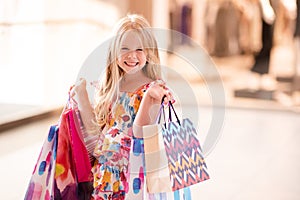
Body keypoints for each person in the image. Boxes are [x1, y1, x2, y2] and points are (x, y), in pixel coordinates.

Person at [71, 14, 174, 200]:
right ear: (114, 52)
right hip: (106, 173)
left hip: (135, 176)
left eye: (139, 49)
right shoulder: (111, 86)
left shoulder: (153, 88)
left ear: (149, 53)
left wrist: (150, 98)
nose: (132, 55)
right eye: (124, 48)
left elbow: (140, 133)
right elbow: (95, 136)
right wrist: (82, 96)